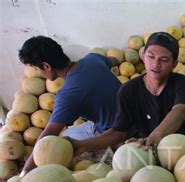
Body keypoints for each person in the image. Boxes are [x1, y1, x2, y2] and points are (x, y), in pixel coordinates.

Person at [70, 31, 185, 155]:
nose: (156, 65)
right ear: (143, 56)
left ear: (174, 64)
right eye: (151, 57)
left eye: (164, 60)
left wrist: (155, 136)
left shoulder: (183, 83)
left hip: (182, 149)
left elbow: (180, 111)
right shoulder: (128, 90)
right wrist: (82, 145)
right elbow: (118, 132)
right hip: (146, 150)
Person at [18, 36, 121, 174]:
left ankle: (110, 151)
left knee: (63, 143)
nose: (38, 73)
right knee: (69, 133)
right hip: (132, 114)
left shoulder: (67, 94)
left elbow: (49, 134)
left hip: (114, 132)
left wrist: (25, 172)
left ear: (46, 66)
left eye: (37, 69)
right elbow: (115, 60)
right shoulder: (93, 59)